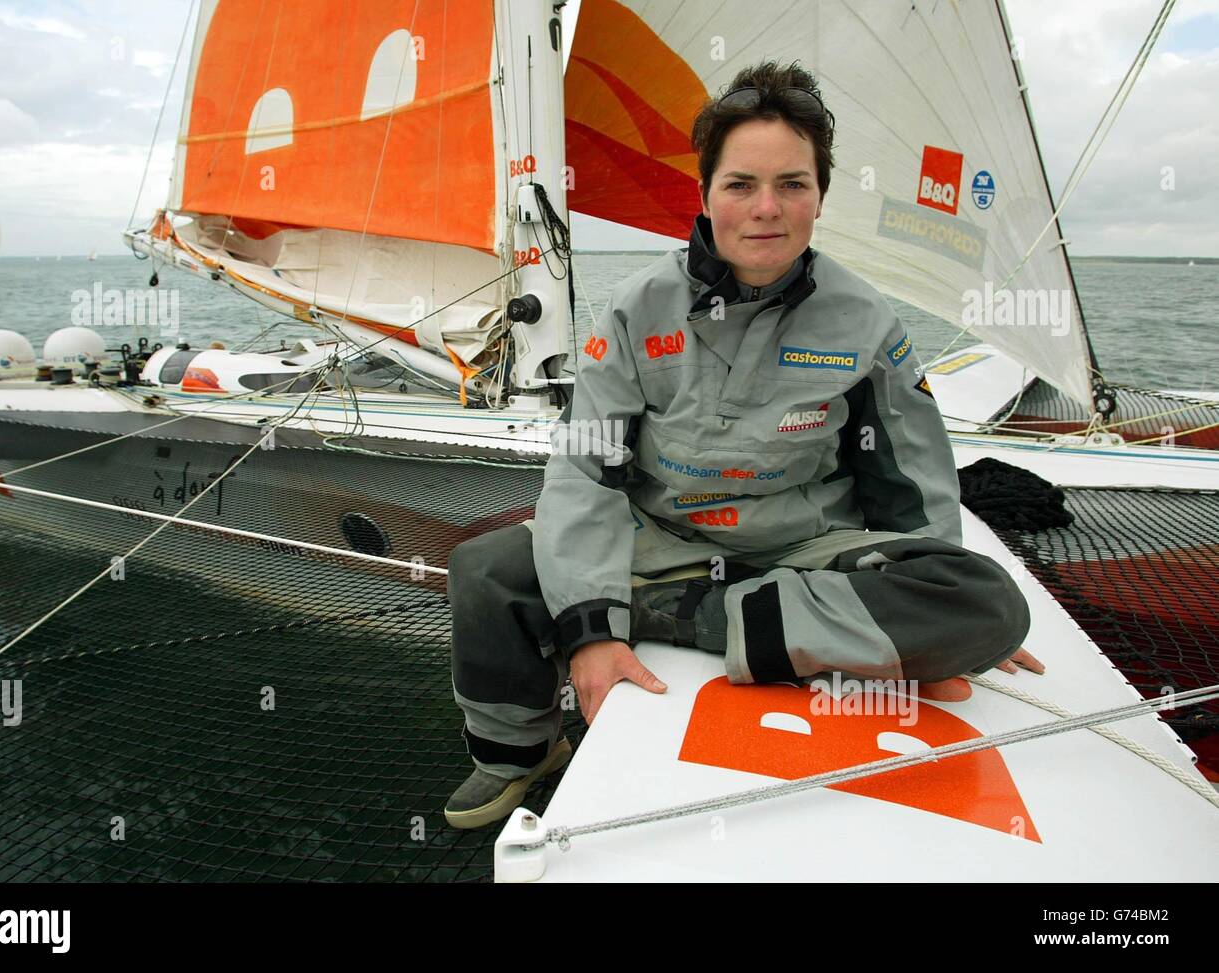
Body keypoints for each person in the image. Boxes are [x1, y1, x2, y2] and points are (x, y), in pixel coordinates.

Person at [444, 60, 1040, 830]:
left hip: (804, 549)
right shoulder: (635, 309)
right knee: (485, 570)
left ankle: (676, 615)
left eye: (792, 184)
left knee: (986, 602)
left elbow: (912, 476)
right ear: (705, 195)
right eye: (741, 184)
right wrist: (592, 634)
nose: (767, 208)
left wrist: (942, 620)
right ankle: (516, 752)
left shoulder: (865, 320)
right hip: (658, 539)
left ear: (820, 197)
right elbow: (587, 473)